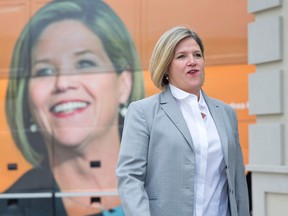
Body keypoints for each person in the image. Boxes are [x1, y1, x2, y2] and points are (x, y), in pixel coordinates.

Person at [0, 0, 144, 215]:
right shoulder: (10, 209)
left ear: (124, 83)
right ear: (27, 100)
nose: (63, 83)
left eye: (85, 64)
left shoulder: (175, 178)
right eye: (45, 71)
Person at [116, 26, 249, 216]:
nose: (192, 61)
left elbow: (237, 181)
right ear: (165, 66)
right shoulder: (143, 112)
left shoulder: (226, 113)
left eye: (197, 55)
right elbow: (129, 177)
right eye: (182, 57)